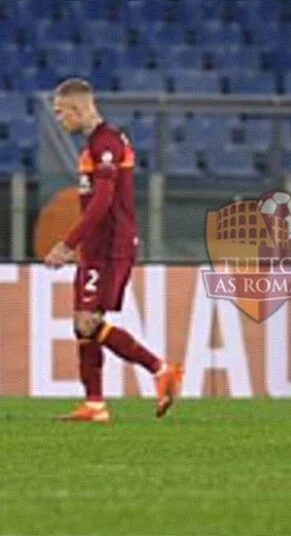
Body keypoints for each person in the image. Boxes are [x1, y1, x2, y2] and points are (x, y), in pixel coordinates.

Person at [44, 78, 182, 424]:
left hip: (110, 246)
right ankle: (94, 404)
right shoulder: (96, 143)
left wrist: (67, 243)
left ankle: (161, 369)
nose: (60, 120)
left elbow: (104, 201)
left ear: (78, 109)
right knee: (83, 324)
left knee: (88, 321)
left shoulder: (105, 143)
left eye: (62, 113)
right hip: (97, 247)